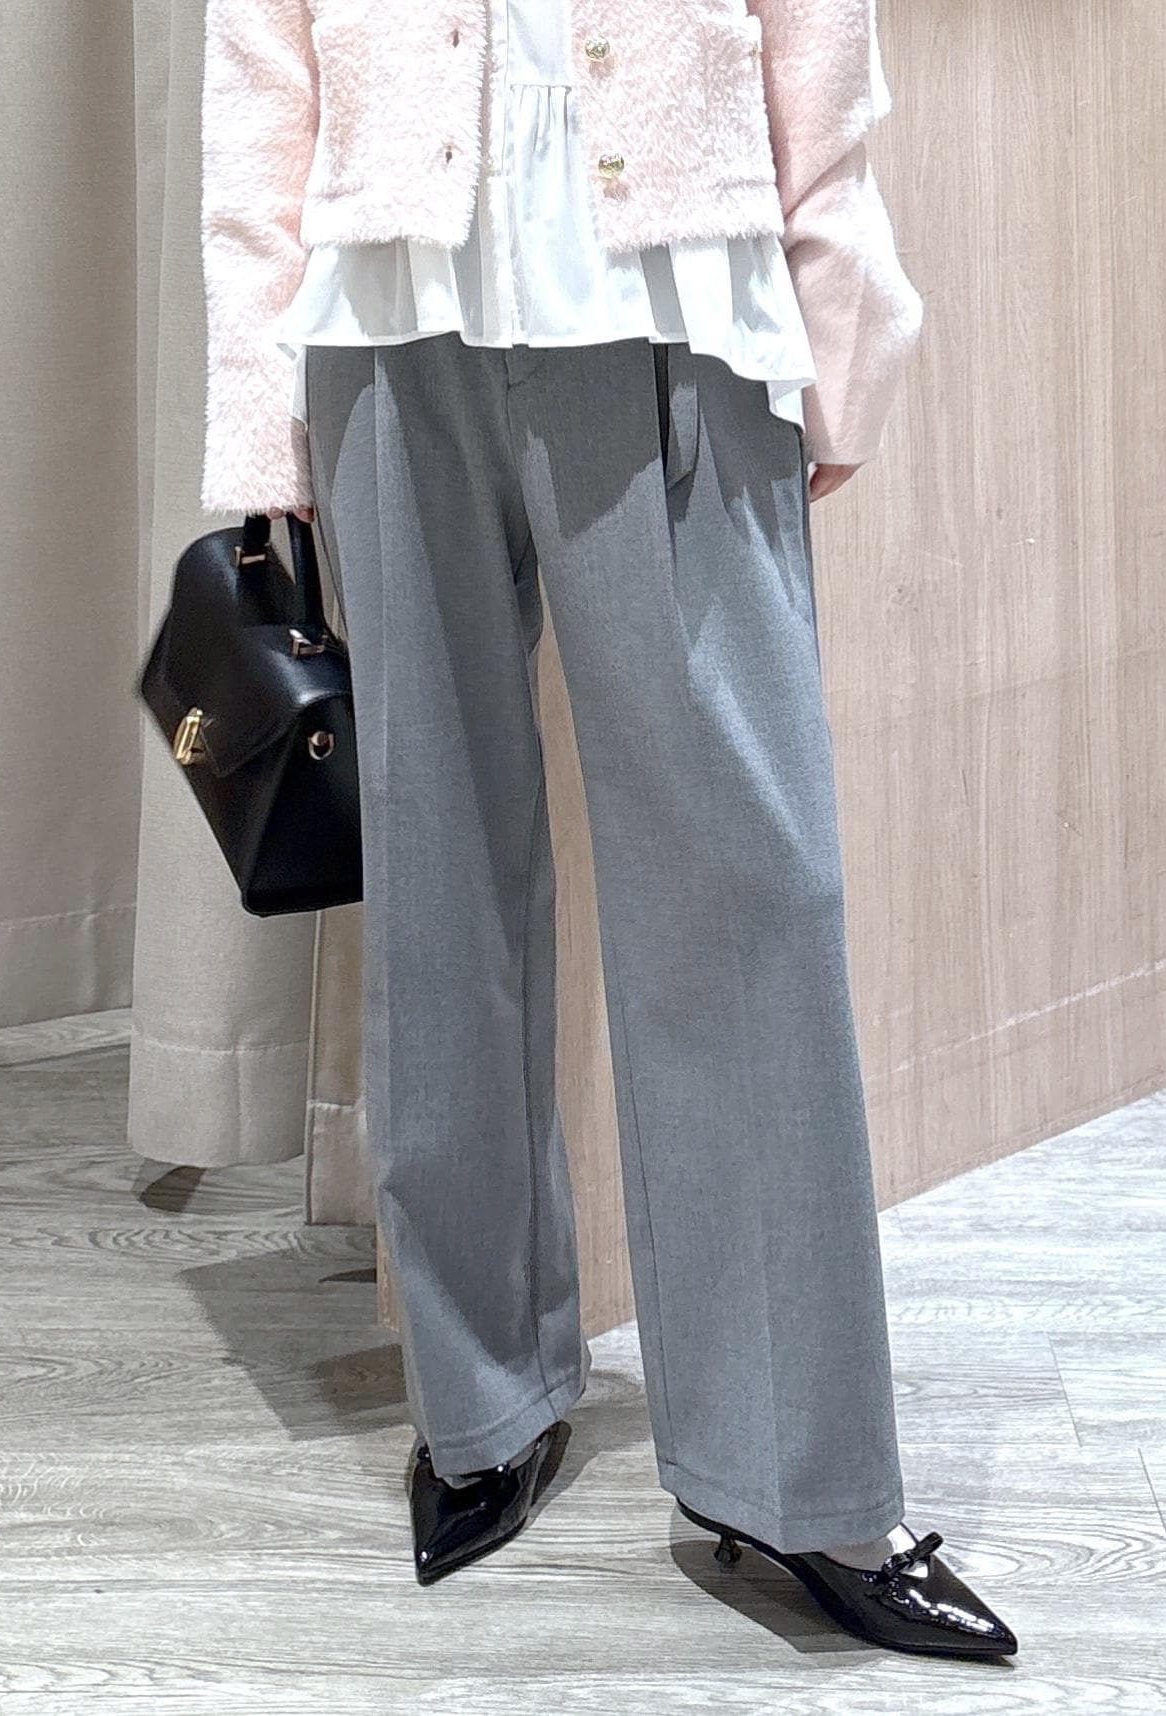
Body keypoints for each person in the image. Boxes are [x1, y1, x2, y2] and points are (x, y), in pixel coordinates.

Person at [199, 0, 1018, 1660]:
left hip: (672, 307)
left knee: (750, 887)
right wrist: (255, 406)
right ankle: (480, 1401)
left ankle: (795, 1479)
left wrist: (837, 327)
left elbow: (816, 49)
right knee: (435, 877)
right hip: (385, 324)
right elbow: (262, 73)